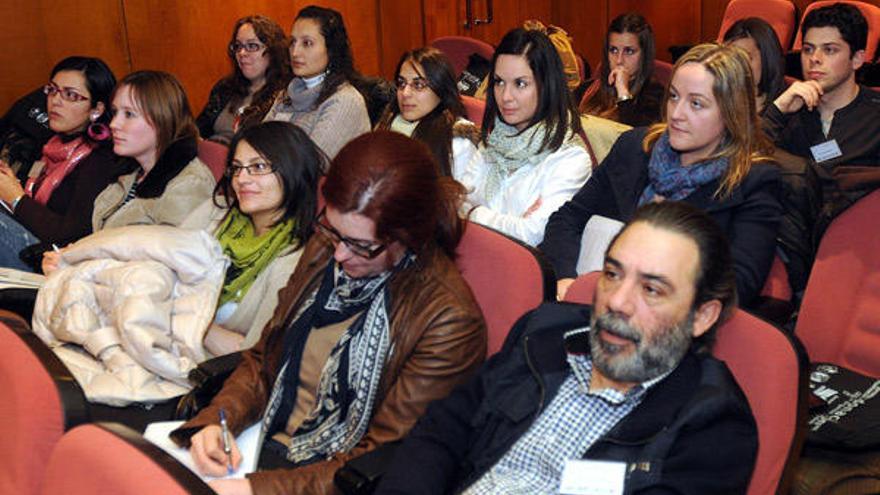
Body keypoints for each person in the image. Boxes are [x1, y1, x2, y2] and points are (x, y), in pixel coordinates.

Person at [170, 131, 486, 495]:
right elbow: (264, 356)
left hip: (331, 478)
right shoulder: (327, 246)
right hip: (261, 444)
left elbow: (381, 460)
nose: (339, 255)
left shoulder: (448, 320)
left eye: (360, 246)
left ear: (408, 237)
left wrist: (255, 490)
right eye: (335, 231)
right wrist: (219, 421)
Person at [376, 201, 758, 495]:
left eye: (651, 289)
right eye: (612, 274)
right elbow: (445, 427)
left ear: (702, 316)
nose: (617, 302)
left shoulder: (713, 426)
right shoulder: (544, 333)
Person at [542, 43, 782, 307]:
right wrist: (566, 279)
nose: (677, 114)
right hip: (593, 301)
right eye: (674, 97)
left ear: (731, 113)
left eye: (697, 104)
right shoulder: (634, 148)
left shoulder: (754, 182)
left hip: (673, 323)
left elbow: (738, 284)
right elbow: (566, 219)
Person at [762, 3, 880, 292]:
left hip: (853, 254)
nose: (814, 60)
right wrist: (777, 110)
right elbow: (737, 159)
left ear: (857, 59)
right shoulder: (789, 111)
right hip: (783, 246)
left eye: (829, 50)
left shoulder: (875, 116)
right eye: (808, 49)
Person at [183, 121, 323, 356]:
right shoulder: (216, 212)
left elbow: (252, 354)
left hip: (204, 376)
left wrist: (189, 321)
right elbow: (159, 271)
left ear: (293, 171)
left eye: (257, 167)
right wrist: (207, 331)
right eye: (237, 168)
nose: (241, 179)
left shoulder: (294, 259)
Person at [458, 27, 592, 247]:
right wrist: (510, 222)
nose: (505, 96)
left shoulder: (571, 158)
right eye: (499, 82)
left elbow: (530, 234)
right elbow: (456, 203)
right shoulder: (495, 141)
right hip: (476, 258)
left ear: (546, 85)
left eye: (520, 84)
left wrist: (473, 212)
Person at [0, 56, 122, 271]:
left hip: (52, 260)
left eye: (70, 95)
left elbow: (70, 235)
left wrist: (16, 198)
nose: (56, 101)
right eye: (53, 90)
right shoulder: (51, 143)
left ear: (96, 109)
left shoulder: (102, 159)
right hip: (27, 236)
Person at [263, 5, 370, 159]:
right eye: (293, 42)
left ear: (331, 49)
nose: (295, 52)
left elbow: (311, 165)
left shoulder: (346, 100)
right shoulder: (286, 94)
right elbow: (257, 144)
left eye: (307, 43)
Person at [375, 46, 481, 177]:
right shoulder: (387, 124)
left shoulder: (457, 143)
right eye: (401, 83)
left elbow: (461, 196)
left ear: (441, 89)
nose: (405, 93)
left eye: (418, 85)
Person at [197, 15, 292, 144]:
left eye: (252, 46)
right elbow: (198, 130)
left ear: (273, 50)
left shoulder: (286, 95)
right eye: (238, 46)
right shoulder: (225, 88)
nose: (242, 53)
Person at [579, 13, 664, 127]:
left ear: (644, 55)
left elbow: (636, 138)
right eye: (613, 50)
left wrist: (623, 92)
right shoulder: (588, 90)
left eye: (629, 51)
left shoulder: (656, 97)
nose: (619, 60)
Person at [723, 17, 787, 112]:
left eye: (744, 58)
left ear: (767, 59)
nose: (736, 65)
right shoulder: (720, 101)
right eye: (730, 58)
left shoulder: (787, 105)